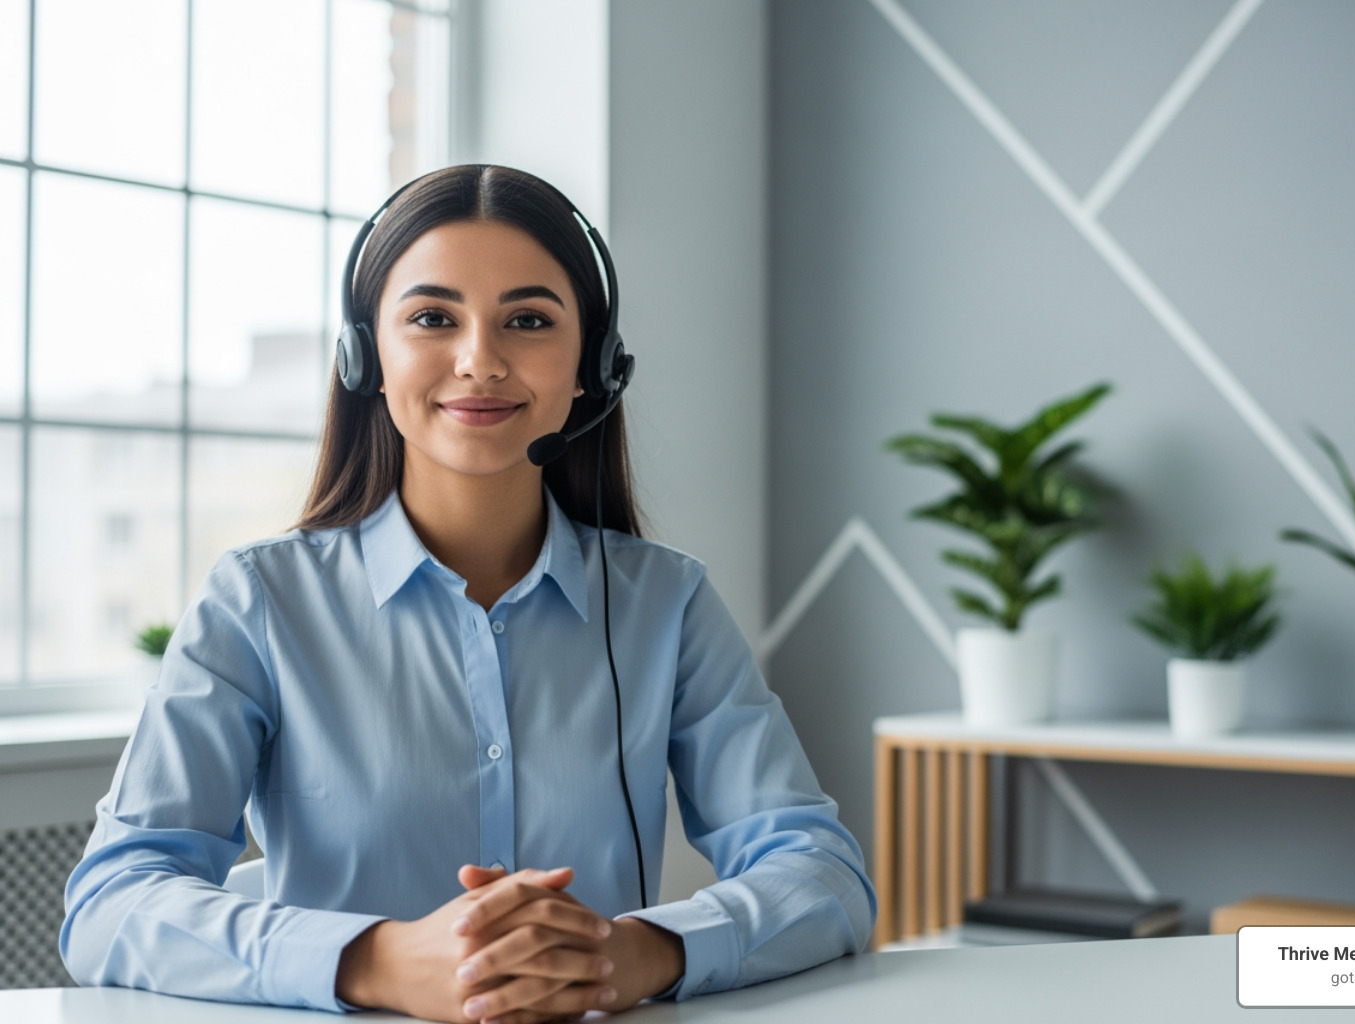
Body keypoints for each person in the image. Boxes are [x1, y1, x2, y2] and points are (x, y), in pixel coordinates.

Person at [60, 164, 876, 1023]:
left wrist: (633, 955)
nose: (480, 360)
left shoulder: (664, 604)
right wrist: (375, 961)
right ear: (365, 357)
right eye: (431, 318)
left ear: (594, 366)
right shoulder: (258, 601)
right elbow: (112, 901)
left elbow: (821, 872)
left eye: (528, 320)